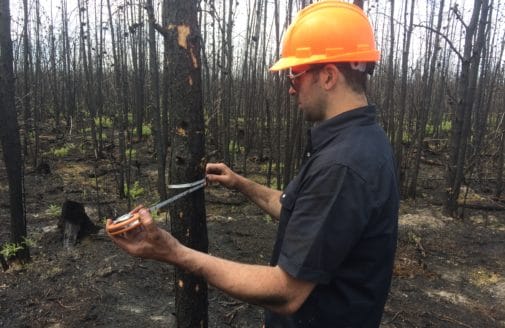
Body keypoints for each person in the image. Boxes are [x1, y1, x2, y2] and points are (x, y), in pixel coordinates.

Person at [107, 1, 399, 327]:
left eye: (296, 73)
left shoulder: (343, 165)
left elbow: (287, 291)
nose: (290, 87)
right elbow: (296, 209)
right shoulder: (357, 142)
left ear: (328, 76)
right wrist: (240, 183)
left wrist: (173, 251)